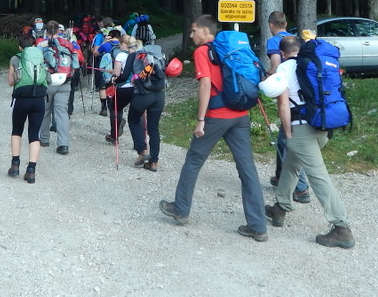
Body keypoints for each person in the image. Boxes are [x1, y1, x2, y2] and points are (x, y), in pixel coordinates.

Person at [159, 15, 268, 242]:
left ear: (206, 31)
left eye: (194, 31)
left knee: (193, 161)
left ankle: (181, 209)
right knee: (247, 169)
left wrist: (200, 119)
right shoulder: (229, 50)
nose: (191, 35)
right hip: (241, 115)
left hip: (216, 116)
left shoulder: (202, 52)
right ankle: (258, 226)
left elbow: (206, 85)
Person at [265, 35, 355, 248]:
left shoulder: (285, 68)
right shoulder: (315, 64)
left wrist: (287, 132)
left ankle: (341, 228)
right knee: (291, 164)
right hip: (322, 126)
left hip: (301, 129)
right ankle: (280, 208)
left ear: (282, 53)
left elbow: (283, 104)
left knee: (318, 175)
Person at [266, 10, 310, 204]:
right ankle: (279, 176)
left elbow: (276, 67)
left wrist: (266, 77)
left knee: (288, 139)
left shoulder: (274, 42)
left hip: (288, 95)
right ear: (285, 23)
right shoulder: (295, 40)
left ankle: (301, 189)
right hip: (303, 98)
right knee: (282, 138)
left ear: (271, 25)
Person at [7, 32, 47, 183]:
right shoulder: (40, 58)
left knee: (17, 131)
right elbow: (48, 79)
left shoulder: (15, 58)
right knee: (34, 134)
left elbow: (10, 82)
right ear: (34, 45)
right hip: (39, 100)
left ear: (20, 47)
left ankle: (15, 165)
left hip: (22, 99)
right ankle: (31, 171)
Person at [121, 41, 167, 171]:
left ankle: (142, 150)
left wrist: (114, 80)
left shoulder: (134, 56)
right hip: (159, 95)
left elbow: (124, 76)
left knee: (133, 120)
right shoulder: (159, 55)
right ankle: (153, 163)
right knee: (154, 128)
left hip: (142, 95)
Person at [37, 20, 79, 155]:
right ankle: (63, 144)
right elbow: (77, 62)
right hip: (65, 82)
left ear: (46, 31)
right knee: (62, 113)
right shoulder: (67, 44)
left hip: (48, 82)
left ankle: (44, 139)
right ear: (58, 31)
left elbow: (37, 62)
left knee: (45, 111)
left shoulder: (41, 45)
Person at [105, 33, 136, 144]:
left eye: (119, 45)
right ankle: (140, 143)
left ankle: (114, 135)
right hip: (136, 87)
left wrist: (112, 72)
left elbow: (117, 74)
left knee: (115, 109)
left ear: (123, 44)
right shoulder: (137, 54)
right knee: (137, 114)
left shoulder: (120, 56)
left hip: (123, 87)